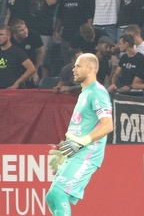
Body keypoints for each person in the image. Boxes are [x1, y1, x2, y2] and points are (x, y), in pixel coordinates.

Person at [46, 53, 113, 216]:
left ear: (91, 69)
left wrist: (82, 142)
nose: (73, 69)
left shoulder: (98, 92)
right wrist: (65, 152)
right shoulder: (85, 93)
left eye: (78, 66)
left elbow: (108, 125)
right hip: (76, 152)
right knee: (51, 197)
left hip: (88, 153)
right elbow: (81, 127)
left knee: (59, 193)